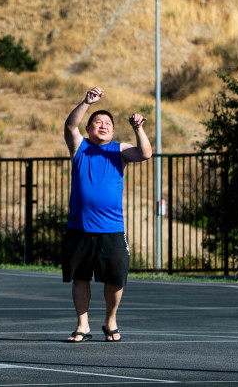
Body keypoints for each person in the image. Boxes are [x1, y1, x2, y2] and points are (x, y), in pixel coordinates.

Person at [61, 86, 150, 342]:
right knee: (80, 277)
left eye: (107, 123)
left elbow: (145, 153)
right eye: (97, 122)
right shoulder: (80, 148)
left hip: (112, 228)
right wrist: (86, 102)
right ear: (89, 129)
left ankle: (110, 320)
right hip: (79, 227)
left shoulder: (119, 150)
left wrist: (138, 128)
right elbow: (70, 126)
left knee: (114, 278)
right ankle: (82, 325)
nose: (103, 125)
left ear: (113, 130)